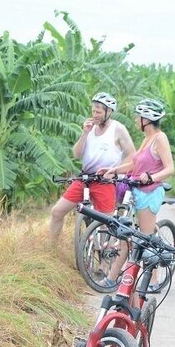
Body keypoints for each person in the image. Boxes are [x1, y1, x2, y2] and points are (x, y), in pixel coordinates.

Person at [97, 98, 175, 287]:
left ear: (146, 119)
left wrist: (151, 177)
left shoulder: (159, 138)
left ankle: (153, 280)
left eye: (138, 117)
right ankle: (112, 278)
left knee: (147, 241)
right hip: (136, 192)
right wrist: (114, 169)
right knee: (126, 236)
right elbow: (134, 164)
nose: (135, 120)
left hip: (150, 192)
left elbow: (170, 168)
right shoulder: (146, 139)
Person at [49, 92, 135, 241]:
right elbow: (76, 154)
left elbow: (132, 155)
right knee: (57, 211)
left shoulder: (118, 129)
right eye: (93, 111)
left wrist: (115, 170)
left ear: (109, 112)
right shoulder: (90, 128)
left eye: (99, 112)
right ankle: (52, 248)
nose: (95, 115)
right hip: (85, 178)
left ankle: (105, 260)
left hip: (105, 181)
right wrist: (84, 134)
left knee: (105, 224)